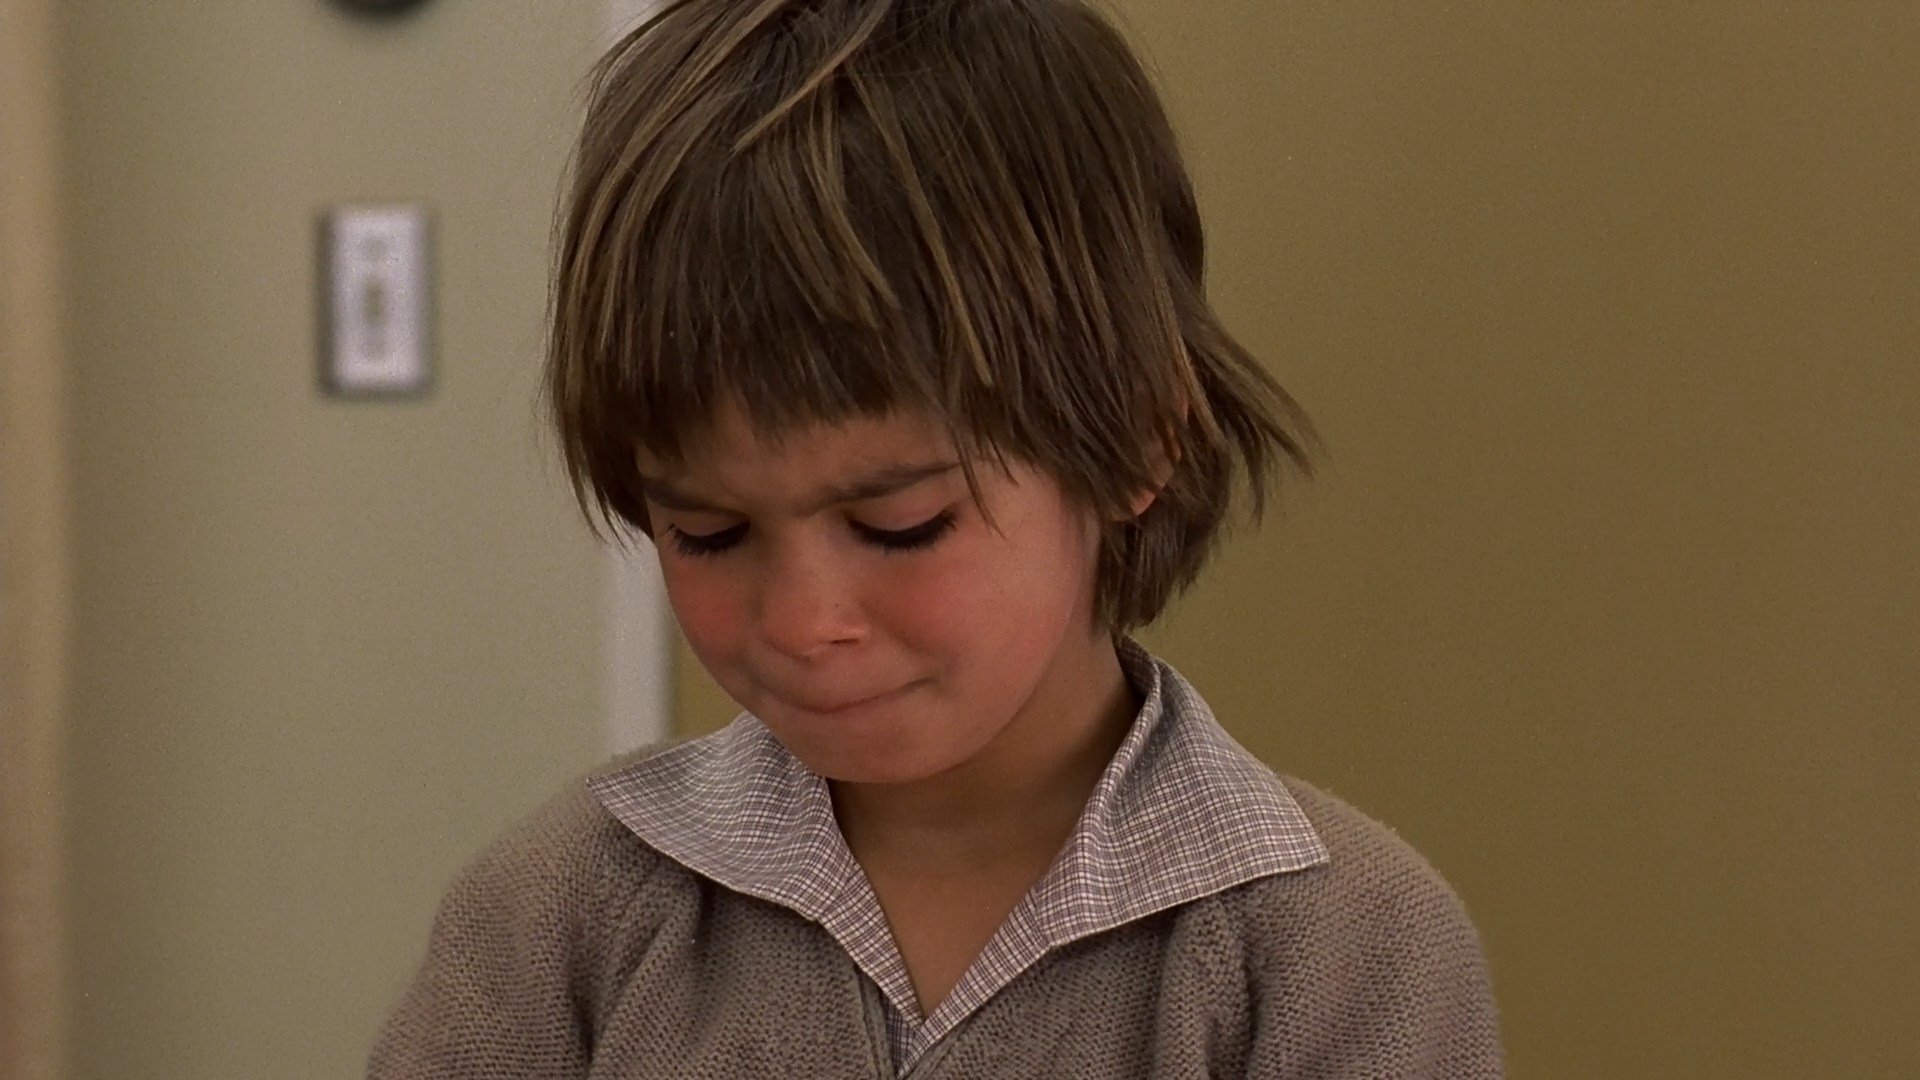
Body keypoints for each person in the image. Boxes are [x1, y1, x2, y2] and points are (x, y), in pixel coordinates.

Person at [368, 0, 1502, 1075]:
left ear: (1139, 437)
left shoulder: (1341, 950)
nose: (804, 623)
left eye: (899, 526)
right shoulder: (564, 909)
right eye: (708, 534)